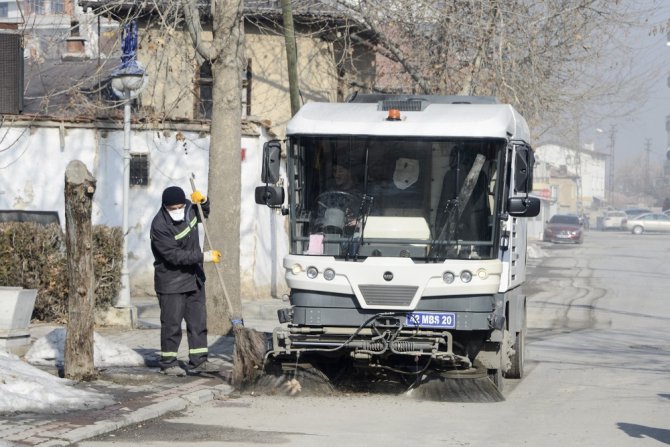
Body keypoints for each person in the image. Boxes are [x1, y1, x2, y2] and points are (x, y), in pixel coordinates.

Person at [150, 185, 221, 376]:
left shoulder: (189, 209)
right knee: (172, 325)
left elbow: (203, 214)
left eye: (180, 206)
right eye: (172, 208)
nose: (177, 211)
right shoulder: (159, 226)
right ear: (165, 207)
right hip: (171, 282)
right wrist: (203, 257)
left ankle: (199, 361)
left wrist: (203, 202)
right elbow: (174, 256)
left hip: (194, 279)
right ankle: (168, 363)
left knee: (198, 323)